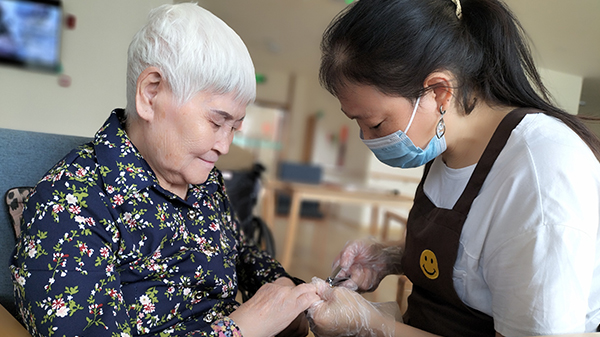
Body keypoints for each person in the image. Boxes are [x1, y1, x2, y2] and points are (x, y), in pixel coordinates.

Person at [10, 3, 319, 337]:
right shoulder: (70, 201)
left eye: (235, 128)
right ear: (151, 93)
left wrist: (287, 291)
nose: (225, 146)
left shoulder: (203, 182)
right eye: (216, 122)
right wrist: (240, 329)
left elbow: (240, 252)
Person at [307, 0, 600, 336]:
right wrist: (390, 256)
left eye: (375, 123)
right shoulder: (441, 143)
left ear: (438, 92)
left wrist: (372, 326)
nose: (367, 138)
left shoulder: (541, 175)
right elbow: (477, 260)